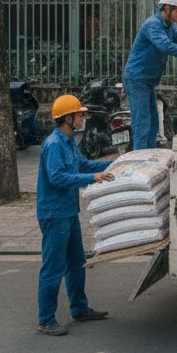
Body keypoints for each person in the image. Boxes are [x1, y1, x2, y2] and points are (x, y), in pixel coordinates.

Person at [37, 94, 114, 336]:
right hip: (54, 213)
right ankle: (46, 319)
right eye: (79, 115)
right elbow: (57, 177)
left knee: (76, 263)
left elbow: (83, 164)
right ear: (67, 118)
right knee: (53, 268)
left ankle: (79, 309)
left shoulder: (69, 141)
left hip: (68, 211)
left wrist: (113, 164)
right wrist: (93, 178)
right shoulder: (54, 145)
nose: (83, 118)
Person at [123, 0, 177, 151]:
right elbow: (165, 46)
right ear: (167, 8)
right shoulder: (153, 25)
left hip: (148, 80)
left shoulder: (170, 26)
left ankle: (149, 156)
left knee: (153, 123)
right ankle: (139, 160)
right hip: (137, 78)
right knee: (142, 123)